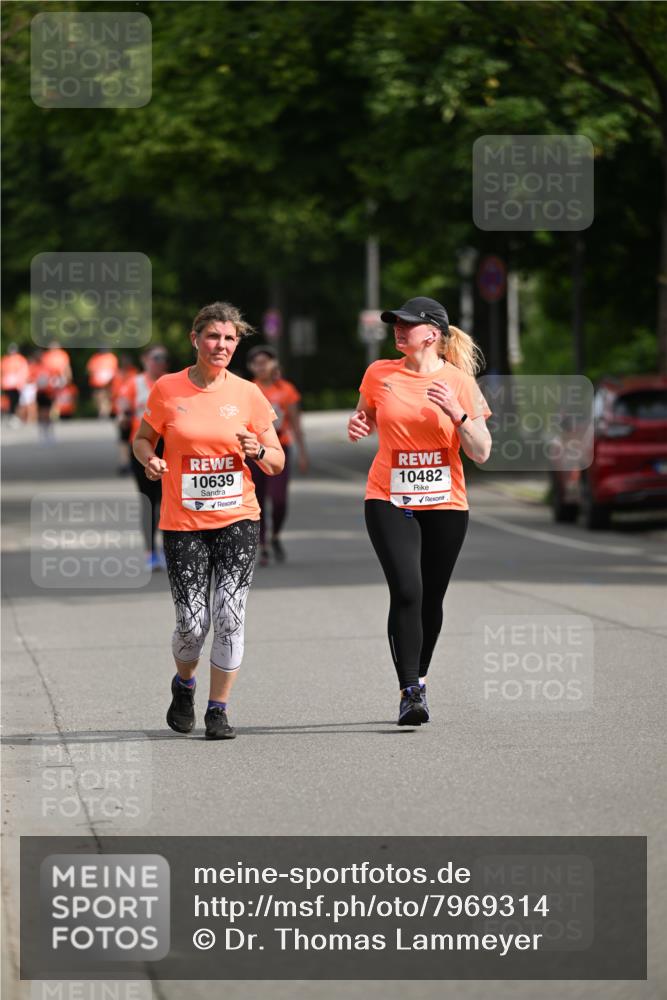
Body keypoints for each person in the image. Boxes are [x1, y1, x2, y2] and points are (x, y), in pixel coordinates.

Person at [132, 302, 284, 740]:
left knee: (230, 615)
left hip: (238, 519)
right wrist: (151, 460)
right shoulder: (167, 388)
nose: (222, 345)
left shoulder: (248, 394)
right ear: (195, 339)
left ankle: (218, 709)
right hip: (183, 523)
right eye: (214, 336)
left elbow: (276, 461)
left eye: (230, 339)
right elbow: (144, 439)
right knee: (192, 623)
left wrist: (257, 450)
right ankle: (184, 685)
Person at [348, 296, 492, 726]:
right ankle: (409, 690)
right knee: (408, 589)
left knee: (431, 597)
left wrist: (458, 412)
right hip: (388, 497)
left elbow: (481, 451)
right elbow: (365, 417)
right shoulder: (379, 373)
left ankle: (421, 680)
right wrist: (359, 424)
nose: (398, 329)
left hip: (446, 503)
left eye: (407, 324)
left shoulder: (459, 382)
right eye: (395, 322)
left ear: (432, 333)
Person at [246, 344, 308, 565]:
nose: (261, 366)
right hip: (252, 452)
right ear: (251, 367)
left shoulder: (286, 389)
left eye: (266, 361)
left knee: (279, 499)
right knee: (257, 498)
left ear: (274, 364)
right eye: (257, 362)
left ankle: (275, 535)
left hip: (279, 448)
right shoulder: (246, 389)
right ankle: (261, 544)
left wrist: (302, 453)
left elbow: (296, 423)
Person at [117, 346, 169, 570]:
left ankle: (170, 549)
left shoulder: (173, 383)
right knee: (148, 501)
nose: (159, 362)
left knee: (168, 502)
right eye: (155, 358)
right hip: (142, 448)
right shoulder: (134, 384)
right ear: (145, 360)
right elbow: (122, 409)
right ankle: (151, 552)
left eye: (163, 358)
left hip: (168, 448)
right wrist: (123, 417)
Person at [112, 354, 139, 474]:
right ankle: (124, 463)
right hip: (121, 408)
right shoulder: (117, 374)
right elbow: (113, 392)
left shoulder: (135, 374)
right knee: (123, 438)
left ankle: (134, 462)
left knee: (133, 438)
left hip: (133, 410)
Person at [1, 345, 29, 425]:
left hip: (17, 385)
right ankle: (11, 416)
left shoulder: (20, 359)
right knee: (10, 402)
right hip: (8, 385)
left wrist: (22, 382)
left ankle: (15, 417)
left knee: (16, 402)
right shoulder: (6, 360)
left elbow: (24, 371)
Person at [86, 349, 118, 418]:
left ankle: (104, 413)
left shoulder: (111, 357)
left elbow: (114, 370)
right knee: (98, 399)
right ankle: (103, 412)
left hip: (108, 383)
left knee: (105, 398)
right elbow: (90, 370)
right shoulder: (95, 358)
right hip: (97, 383)